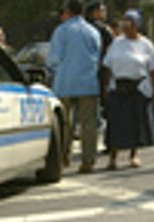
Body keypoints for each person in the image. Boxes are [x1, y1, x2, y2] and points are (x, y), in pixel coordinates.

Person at [47, 0, 103, 173]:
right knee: (89, 124)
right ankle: (88, 161)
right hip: (88, 83)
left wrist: (53, 69)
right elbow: (98, 56)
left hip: (65, 82)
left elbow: (53, 58)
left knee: (64, 123)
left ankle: (63, 158)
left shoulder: (61, 31)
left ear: (68, 12)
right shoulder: (93, 32)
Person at [102, 9, 154, 169]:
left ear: (136, 25)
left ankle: (134, 155)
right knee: (115, 124)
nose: (126, 26)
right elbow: (107, 65)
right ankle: (113, 157)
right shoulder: (117, 43)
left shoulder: (146, 44)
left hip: (138, 88)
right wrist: (106, 86)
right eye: (125, 22)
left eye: (130, 23)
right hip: (118, 87)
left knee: (136, 124)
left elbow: (153, 69)